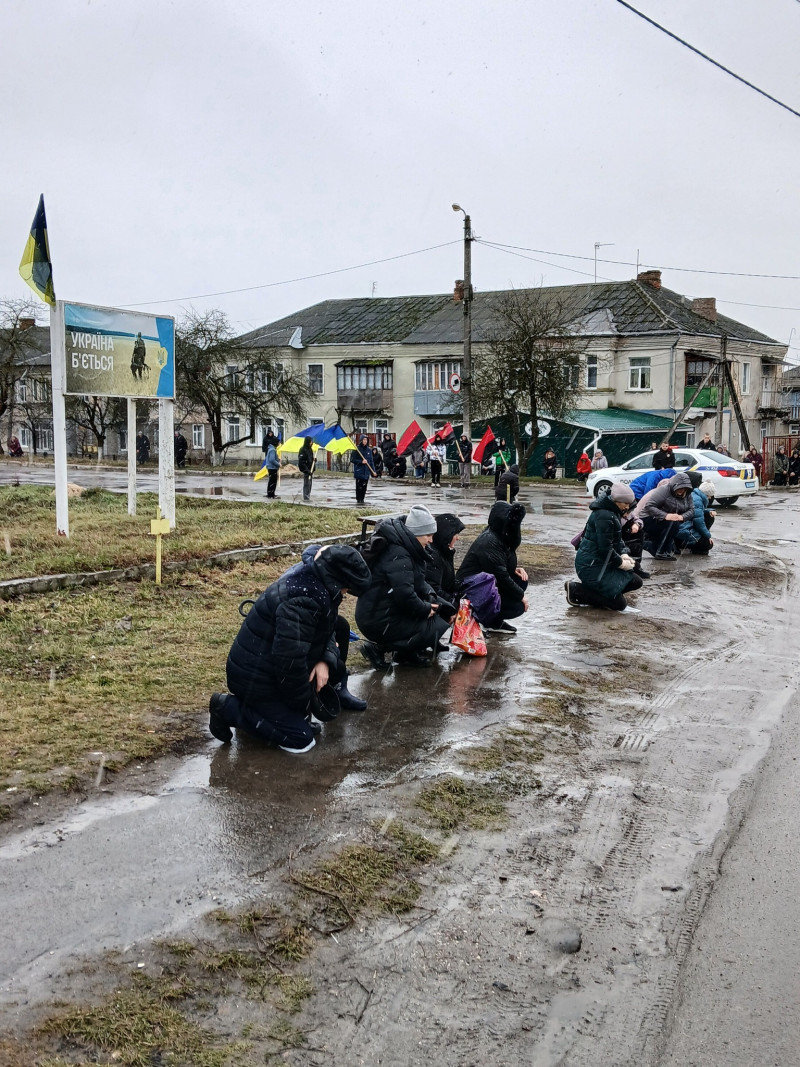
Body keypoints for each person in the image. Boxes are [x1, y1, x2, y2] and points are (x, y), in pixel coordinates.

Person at [208, 545, 372, 753]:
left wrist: (325, 661)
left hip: (266, 666)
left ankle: (264, 711)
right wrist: (303, 703)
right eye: (347, 586)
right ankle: (227, 708)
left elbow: (328, 625)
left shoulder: (317, 579)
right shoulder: (304, 600)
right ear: (337, 578)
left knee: (341, 626)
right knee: (301, 740)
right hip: (253, 676)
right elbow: (289, 663)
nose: (347, 592)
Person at [356, 505, 452, 668]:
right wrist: (426, 609)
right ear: (416, 533)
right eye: (428, 535)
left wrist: (433, 597)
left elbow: (418, 581)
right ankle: (378, 648)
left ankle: (406, 653)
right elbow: (405, 595)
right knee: (436, 624)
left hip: (385, 608)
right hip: (376, 617)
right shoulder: (399, 553)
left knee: (445, 611)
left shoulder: (409, 547)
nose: (431, 540)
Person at [565, 483, 643, 613]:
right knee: (620, 605)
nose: (628, 507)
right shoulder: (604, 515)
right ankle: (577, 590)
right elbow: (605, 549)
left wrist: (624, 555)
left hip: (602, 564)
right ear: (616, 501)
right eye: (626, 503)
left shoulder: (613, 512)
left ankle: (599, 594)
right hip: (592, 566)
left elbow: (618, 541)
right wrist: (621, 563)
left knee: (636, 581)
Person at [456, 501, 529, 633]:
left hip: (484, 584)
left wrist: (514, 569)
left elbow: (501, 565)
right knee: (517, 606)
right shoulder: (489, 541)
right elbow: (500, 575)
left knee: (521, 580)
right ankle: (485, 618)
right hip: (469, 589)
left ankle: (493, 619)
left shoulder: (499, 536)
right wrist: (521, 595)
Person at [633, 470, 694, 560]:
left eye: (684, 488)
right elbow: (649, 507)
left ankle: (648, 545)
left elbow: (692, 510)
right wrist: (666, 515)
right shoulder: (663, 490)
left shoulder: (688, 495)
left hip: (667, 520)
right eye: (679, 488)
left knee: (664, 545)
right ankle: (660, 551)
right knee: (673, 524)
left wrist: (682, 517)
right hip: (648, 518)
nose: (681, 490)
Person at [425, 512, 466, 607]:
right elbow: (434, 590)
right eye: (455, 534)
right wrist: (454, 605)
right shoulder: (433, 556)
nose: (458, 538)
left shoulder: (445, 551)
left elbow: (449, 582)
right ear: (446, 535)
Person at [675, 480, 716, 555]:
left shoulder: (694, 495)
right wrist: (708, 536)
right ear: (707, 494)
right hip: (684, 529)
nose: (710, 498)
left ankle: (681, 543)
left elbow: (697, 512)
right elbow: (698, 522)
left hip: (680, 526)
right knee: (708, 545)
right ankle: (688, 545)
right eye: (710, 495)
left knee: (708, 515)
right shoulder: (697, 501)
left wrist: (708, 511)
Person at [352, 434, 375, 504]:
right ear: (361, 440)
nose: (365, 441)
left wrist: (373, 471)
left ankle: (362, 499)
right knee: (359, 487)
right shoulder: (357, 449)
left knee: (364, 487)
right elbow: (352, 459)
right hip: (359, 471)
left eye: (366, 440)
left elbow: (371, 461)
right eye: (364, 440)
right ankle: (358, 499)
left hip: (366, 472)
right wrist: (361, 462)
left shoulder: (368, 450)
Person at [263, 433, 280, 499]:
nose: (279, 444)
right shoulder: (272, 450)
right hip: (272, 468)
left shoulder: (271, 449)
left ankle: (270, 493)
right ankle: (271, 495)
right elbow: (272, 460)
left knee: (271, 481)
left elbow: (273, 458)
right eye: (278, 442)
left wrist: (277, 459)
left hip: (270, 467)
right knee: (273, 481)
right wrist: (278, 464)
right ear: (275, 443)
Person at [298, 436, 315, 501]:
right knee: (307, 483)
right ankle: (306, 497)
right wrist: (306, 470)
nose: (312, 443)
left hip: (310, 469)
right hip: (306, 469)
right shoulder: (302, 449)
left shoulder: (310, 449)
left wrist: (314, 460)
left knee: (310, 484)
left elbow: (310, 458)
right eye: (311, 441)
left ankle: (308, 495)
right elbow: (302, 461)